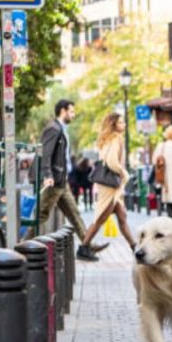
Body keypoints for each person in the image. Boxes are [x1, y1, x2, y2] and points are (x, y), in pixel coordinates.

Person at [35, 99, 107, 254]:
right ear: (63, 111)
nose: (73, 115)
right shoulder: (53, 128)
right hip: (54, 181)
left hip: (62, 180)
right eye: (72, 111)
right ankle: (24, 247)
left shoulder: (62, 129)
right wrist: (47, 174)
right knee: (40, 215)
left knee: (74, 214)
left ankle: (87, 244)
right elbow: (45, 153)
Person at [79, 113, 136, 260]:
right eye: (121, 123)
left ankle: (135, 247)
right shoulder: (115, 138)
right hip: (110, 186)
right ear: (114, 125)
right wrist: (124, 173)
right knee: (100, 218)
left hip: (110, 185)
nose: (124, 125)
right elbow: (112, 162)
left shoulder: (107, 139)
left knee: (122, 217)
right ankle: (83, 248)